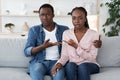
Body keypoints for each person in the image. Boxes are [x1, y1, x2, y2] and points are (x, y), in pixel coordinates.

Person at [52, 7, 100, 80]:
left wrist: (76, 47)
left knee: (82, 67)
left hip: (90, 65)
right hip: (73, 65)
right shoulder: (66, 34)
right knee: (70, 65)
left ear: (85, 19)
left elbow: (92, 58)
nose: (77, 21)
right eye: (74, 18)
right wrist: (58, 64)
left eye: (80, 18)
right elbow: (64, 56)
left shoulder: (94, 34)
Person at [24, 4, 69, 80]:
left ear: (53, 15)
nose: (44, 18)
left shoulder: (64, 29)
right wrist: (43, 46)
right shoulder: (34, 30)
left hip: (57, 63)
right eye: (42, 15)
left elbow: (69, 49)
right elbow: (27, 51)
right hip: (39, 62)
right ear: (39, 16)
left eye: (48, 14)